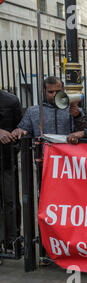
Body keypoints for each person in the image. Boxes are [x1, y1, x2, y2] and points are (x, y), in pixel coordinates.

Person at [11, 76, 85, 140]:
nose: (54, 95)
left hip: (67, 154)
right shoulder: (33, 111)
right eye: (51, 92)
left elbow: (85, 132)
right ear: (44, 91)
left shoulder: (75, 110)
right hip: (43, 154)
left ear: (63, 90)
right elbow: (24, 130)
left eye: (58, 91)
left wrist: (77, 117)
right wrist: (20, 131)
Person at [0, 90, 22, 257]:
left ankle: (12, 242)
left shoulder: (11, 100)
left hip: (7, 159)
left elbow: (20, 127)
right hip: (8, 158)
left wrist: (15, 142)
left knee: (11, 201)